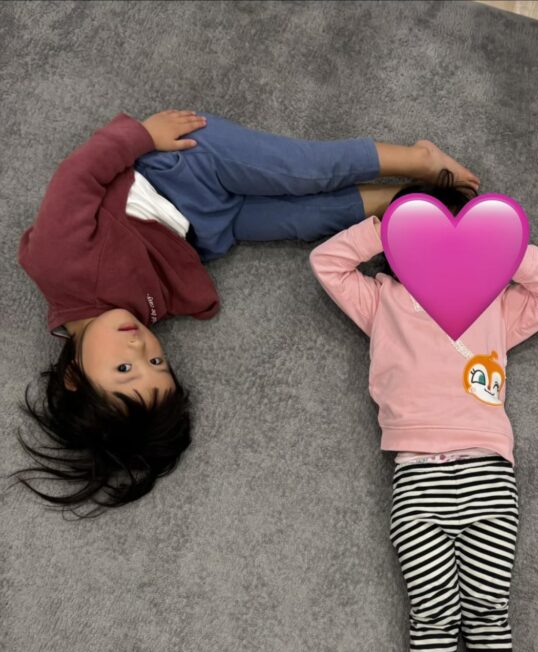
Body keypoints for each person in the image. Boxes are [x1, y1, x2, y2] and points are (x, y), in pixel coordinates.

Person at [12, 109, 480, 518]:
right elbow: (172, 281)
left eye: (124, 368)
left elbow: (77, 176)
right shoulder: (123, 321)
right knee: (306, 221)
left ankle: (416, 159)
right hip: (212, 227)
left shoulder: (58, 262)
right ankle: (396, 198)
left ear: (73, 375)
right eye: (156, 362)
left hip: (183, 165)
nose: (140, 345)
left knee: (301, 172)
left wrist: (143, 135)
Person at [308, 174, 538, 652]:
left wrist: (501, 249)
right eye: (420, 242)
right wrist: (385, 227)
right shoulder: (384, 301)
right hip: (416, 477)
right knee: (430, 617)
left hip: (487, 473)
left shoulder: (493, 305)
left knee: (486, 613)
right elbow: (327, 262)